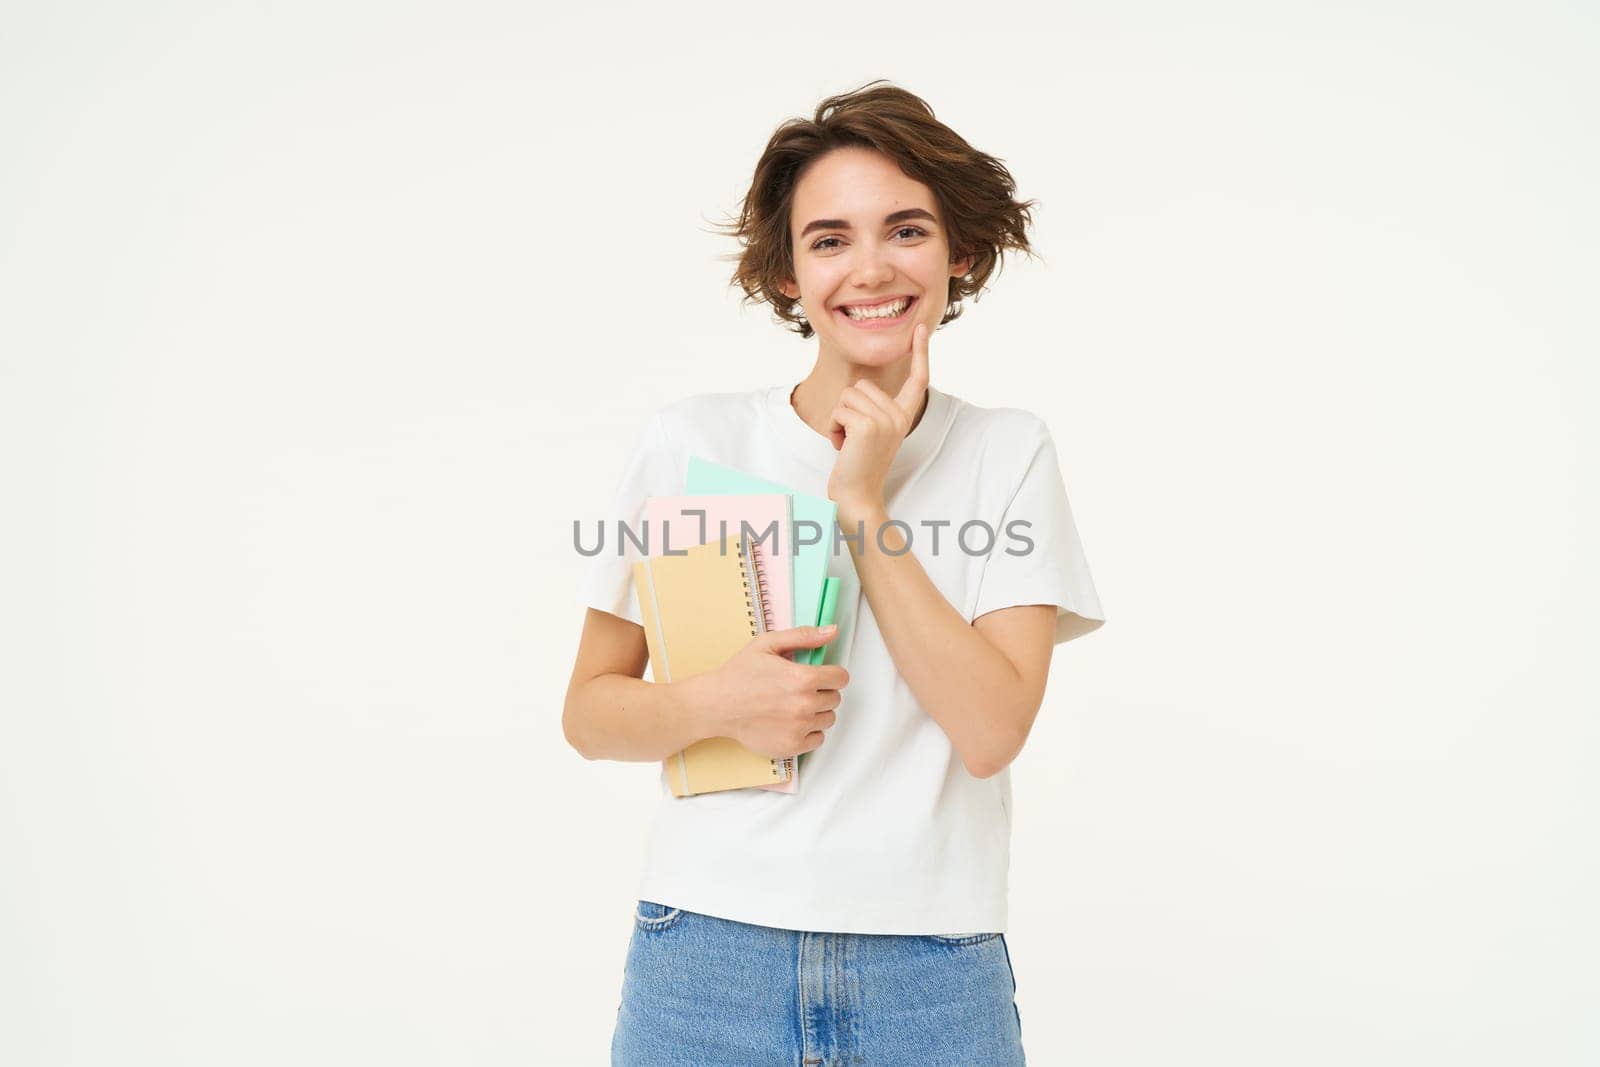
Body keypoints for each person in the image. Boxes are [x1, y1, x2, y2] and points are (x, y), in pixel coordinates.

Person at [564, 79, 1105, 1066]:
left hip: (931, 967)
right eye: (827, 239)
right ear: (785, 275)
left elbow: (990, 731)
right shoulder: (692, 439)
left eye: (905, 230)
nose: (868, 268)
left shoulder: (1005, 452)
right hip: (703, 955)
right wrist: (713, 704)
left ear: (960, 254)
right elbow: (589, 711)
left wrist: (862, 502)